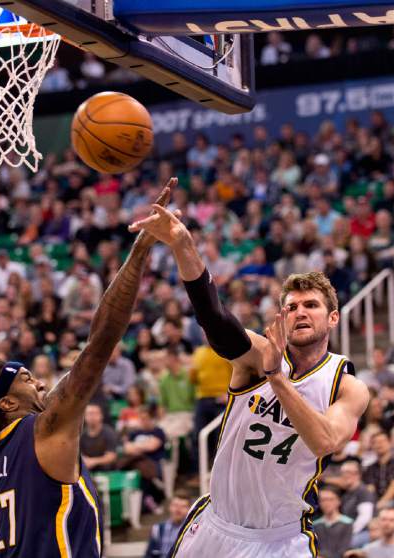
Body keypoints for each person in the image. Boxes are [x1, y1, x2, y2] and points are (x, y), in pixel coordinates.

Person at [129, 196, 369, 557]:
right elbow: (215, 318)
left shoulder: (346, 386)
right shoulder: (261, 354)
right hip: (217, 526)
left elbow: (324, 442)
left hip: (281, 541)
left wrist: (277, 380)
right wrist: (183, 245)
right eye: (291, 306)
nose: (300, 312)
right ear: (282, 317)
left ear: (333, 318)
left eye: (311, 305)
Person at [0, 182, 175, 558]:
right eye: (23, 378)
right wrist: (139, 251)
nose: (37, 379)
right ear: (6, 404)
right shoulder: (46, 426)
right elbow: (102, 339)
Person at [145, 492, 192, 558]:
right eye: (175, 505)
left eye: (183, 506)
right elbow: (149, 555)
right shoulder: (158, 529)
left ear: (189, 509)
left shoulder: (193, 530)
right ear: (170, 507)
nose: (178, 509)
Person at [340, 460, 375, 547]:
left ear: (358, 474)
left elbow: (365, 518)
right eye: (343, 472)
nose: (345, 475)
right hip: (350, 531)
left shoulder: (363, 491)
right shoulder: (346, 494)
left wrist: (348, 533)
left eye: (349, 472)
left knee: (343, 545)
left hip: (365, 532)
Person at [313, 486, 354, 558]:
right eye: (323, 500)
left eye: (330, 499)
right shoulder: (316, 524)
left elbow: (344, 549)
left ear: (338, 501)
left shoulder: (347, 523)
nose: (326, 503)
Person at [80, 404, 118, 472]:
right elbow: (79, 454)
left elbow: (111, 456)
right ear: (84, 417)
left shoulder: (109, 432)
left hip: (107, 470)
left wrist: (93, 461)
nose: (92, 417)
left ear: (101, 415)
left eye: (95, 413)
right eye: (89, 414)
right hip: (87, 469)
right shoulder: (81, 435)